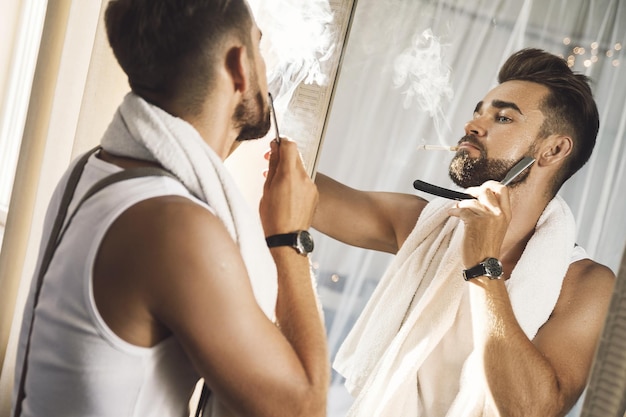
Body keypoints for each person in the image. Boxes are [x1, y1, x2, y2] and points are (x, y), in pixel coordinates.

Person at [12, 1, 328, 416]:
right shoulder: (175, 228)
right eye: (259, 46)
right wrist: (290, 237)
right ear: (239, 66)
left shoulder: (95, 168)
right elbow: (303, 407)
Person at [313, 48, 615, 416]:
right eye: (478, 112)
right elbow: (303, 194)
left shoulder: (586, 284)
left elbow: (533, 409)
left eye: (502, 117)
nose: (472, 126)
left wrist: (483, 264)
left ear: (552, 150)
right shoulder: (424, 226)